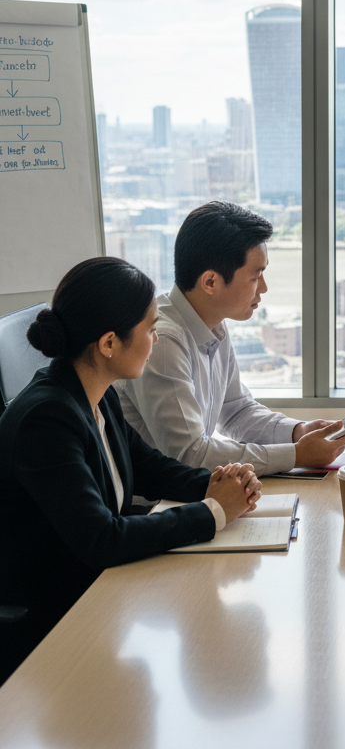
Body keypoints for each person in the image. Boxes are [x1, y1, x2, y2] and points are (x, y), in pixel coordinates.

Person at [0, 257, 262, 683]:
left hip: (98, 590)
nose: (156, 339)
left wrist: (221, 483)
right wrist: (214, 511)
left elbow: (148, 467)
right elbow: (102, 538)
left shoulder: (95, 393)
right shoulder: (46, 421)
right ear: (108, 343)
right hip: (54, 621)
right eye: (150, 329)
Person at [117, 202, 345, 475]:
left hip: (184, 496)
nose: (264, 288)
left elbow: (236, 411)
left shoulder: (213, 326)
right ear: (210, 282)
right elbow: (189, 455)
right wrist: (296, 455)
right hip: (151, 507)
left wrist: (297, 432)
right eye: (256, 277)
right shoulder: (163, 341)